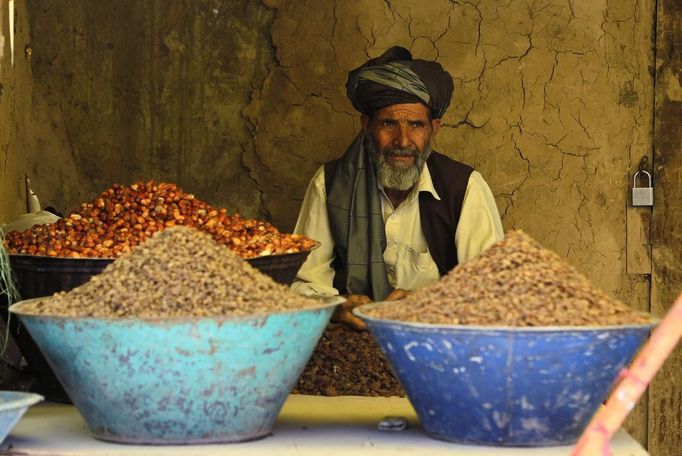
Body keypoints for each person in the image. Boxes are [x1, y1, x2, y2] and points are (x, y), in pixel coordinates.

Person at [292, 46, 503, 329]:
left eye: (415, 125)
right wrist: (338, 308)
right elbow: (302, 282)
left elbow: (493, 295)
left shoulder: (464, 188)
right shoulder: (331, 183)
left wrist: (426, 307)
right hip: (353, 337)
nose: (403, 141)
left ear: (434, 129)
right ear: (366, 126)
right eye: (389, 123)